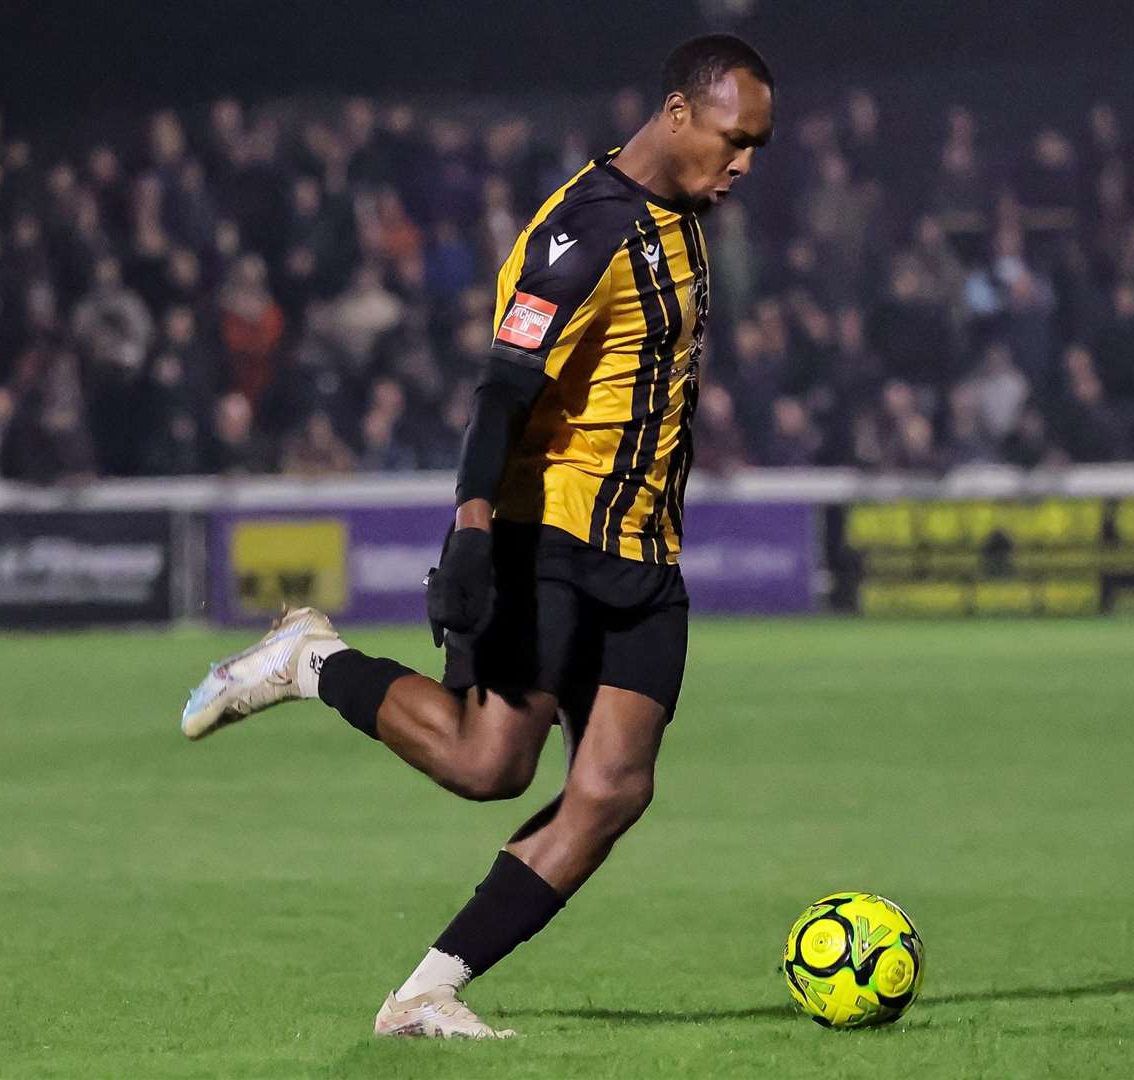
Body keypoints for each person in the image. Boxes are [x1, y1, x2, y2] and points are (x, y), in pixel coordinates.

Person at [178, 35, 774, 1039]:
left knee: (615, 787)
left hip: (642, 554)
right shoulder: (583, 231)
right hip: (544, 537)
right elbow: (501, 390)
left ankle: (423, 993)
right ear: (678, 114)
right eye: (734, 138)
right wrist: (469, 531)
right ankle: (308, 660)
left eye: (756, 143)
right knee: (488, 764)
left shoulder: (683, 216)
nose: (744, 163)